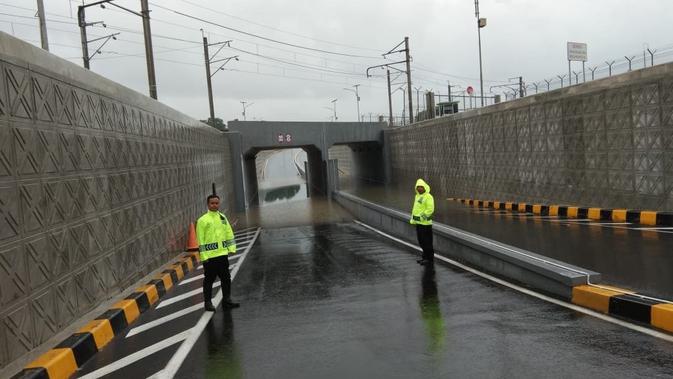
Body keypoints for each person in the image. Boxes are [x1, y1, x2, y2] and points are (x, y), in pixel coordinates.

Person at [196, 194, 240, 312]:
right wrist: (203, 256)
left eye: (216, 203)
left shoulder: (222, 217)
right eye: (212, 203)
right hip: (210, 257)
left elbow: (228, 233)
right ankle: (208, 303)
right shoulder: (202, 220)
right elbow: (200, 239)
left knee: (226, 278)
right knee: (209, 280)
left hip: (222, 255)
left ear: (219, 204)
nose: (215, 205)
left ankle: (227, 300)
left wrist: (231, 248)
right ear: (208, 204)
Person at [410, 179, 435, 266]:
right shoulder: (417, 196)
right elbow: (415, 209)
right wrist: (413, 220)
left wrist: (421, 218)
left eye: (421, 187)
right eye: (418, 187)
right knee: (421, 241)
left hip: (426, 224)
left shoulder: (428, 196)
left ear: (424, 187)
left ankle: (429, 259)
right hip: (419, 223)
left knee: (427, 242)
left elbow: (430, 210)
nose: (420, 189)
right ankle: (424, 257)